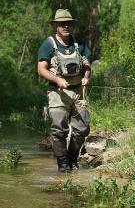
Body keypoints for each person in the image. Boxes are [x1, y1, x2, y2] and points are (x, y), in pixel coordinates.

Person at [38, 9, 91, 172]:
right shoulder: (48, 44)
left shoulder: (78, 42)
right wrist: (57, 80)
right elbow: (41, 69)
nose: (66, 26)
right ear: (56, 26)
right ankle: (63, 165)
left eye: (68, 23)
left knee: (82, 128)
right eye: (62, 24)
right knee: (59, 130)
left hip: (78, 92)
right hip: (57, 93)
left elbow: (87, 64)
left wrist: (86, 76)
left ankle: (72, 158)